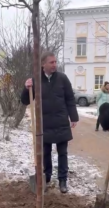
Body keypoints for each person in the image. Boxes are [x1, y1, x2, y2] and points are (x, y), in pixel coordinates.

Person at [21, 51, 78, 193]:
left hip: (61, 122)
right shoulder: (36, 80)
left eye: (55, 62)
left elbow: (70, 98)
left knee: (62, 153)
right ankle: (46, 177)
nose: (54, 65)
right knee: (45, 153)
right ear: (43, 64)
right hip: (44, 123)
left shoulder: (62, 79)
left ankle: (63, 180)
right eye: (51, 62)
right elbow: (25, 100)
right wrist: (26, 88)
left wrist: (74, 116)